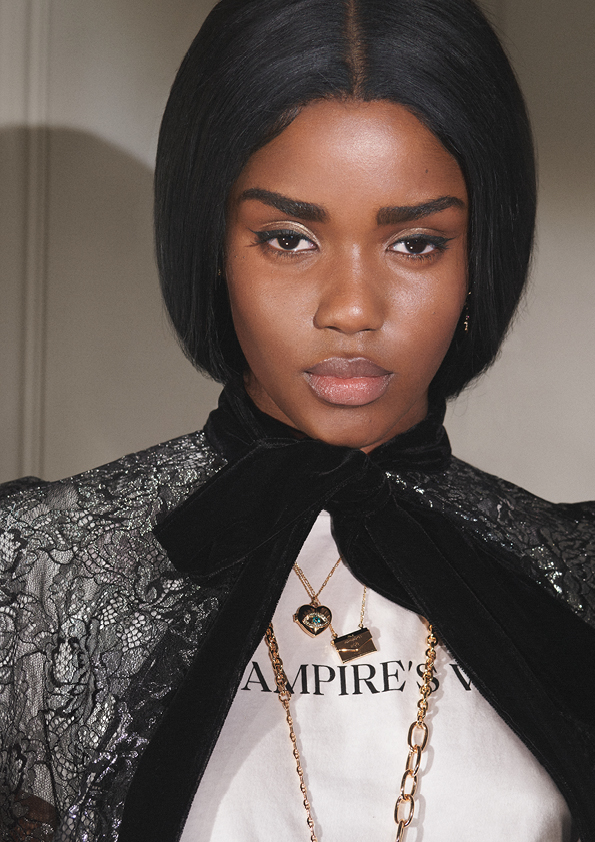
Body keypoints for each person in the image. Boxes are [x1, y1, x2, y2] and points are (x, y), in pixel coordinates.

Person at [0, 0, 594, 840]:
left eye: (416, 243)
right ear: (212, 245)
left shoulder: (572, 575)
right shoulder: (33, 571)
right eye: (287, 238)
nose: (350, 309)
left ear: (478, 258)